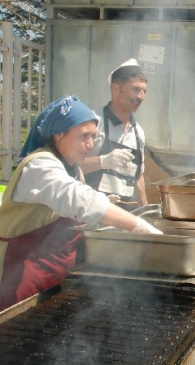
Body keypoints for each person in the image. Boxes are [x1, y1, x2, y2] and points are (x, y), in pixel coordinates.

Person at [0, 95, 162, 311]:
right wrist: (140, 226)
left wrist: (105, 203)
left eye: (94, 136)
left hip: (55, 273)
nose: (90, 144)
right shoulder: (39, 166)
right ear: (59, 133)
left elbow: (72, 205)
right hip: (20, 276)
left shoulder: (71, 165)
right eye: (84, 136)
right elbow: (80, 200)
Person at [80, 59, 148, 208]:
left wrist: (145, 212)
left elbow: (138, 177)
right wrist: (103, 161)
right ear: (115, 89)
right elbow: (71, 166)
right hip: (91, 213)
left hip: (124, 214)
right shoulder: (93, 123)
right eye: (136, 89)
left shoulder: (138, 133)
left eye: (144, 91)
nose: (141, 96)